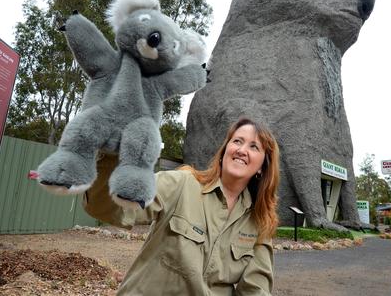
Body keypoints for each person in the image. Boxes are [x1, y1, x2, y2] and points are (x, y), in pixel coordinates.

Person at [83, 117, 280, 295]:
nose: (242, 150)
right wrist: (110, 155)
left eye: (254, 147)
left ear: (262, 167)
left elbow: (255, 290)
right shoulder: (181, 184)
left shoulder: (259, 221)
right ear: (224, 150)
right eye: (237, 141)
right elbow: (112, 206)